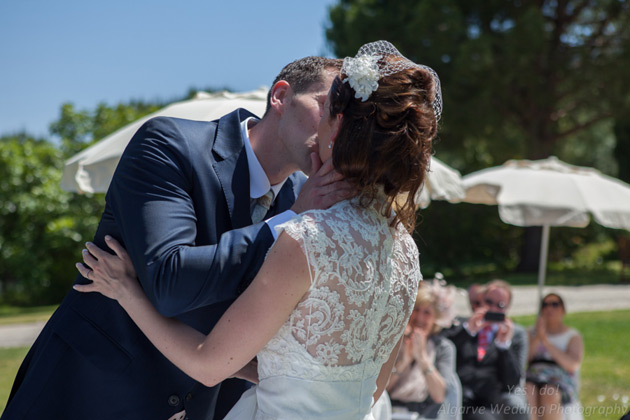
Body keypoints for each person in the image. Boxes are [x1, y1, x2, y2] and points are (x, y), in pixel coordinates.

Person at [73, 40, 442, 420]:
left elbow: (211, 364)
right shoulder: (404, 249)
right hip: (103, 392)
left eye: (330, 110)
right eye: (324, 102)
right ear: (280, 97)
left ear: (344, 129)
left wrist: (124, 291)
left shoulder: (308, 232)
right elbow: (371, 386)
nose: (321, 124)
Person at [2, 56, 348, 420]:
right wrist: (291, 221)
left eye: (345, 119)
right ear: (280, 96)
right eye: (326, 106)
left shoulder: (307, 200)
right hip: (88, 395)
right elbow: (171, 283)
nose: (334, 129)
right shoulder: (169, 145)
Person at [443, 280, 528, 420]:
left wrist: (503, 346)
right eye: (489, 302)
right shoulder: (461, 326)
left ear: (507, 309)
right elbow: (446, 350)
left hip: (489, 401)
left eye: (500, 305)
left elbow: (512, 382)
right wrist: (468, 331)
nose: (493, 309)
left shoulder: (513, 335)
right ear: (480, 301)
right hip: (458, 397)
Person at [387, 278, 460, 419]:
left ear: (435, 320)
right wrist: (404, 362)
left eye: (427, 313)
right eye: (416, 310)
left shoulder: (443, 347)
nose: (420, 317)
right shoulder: (393, 342)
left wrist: (422, 358)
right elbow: (381, 390)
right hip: (389, 411)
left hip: (425, 414)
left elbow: (440, 395)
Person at [525, 293, 584, 420]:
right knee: (528, 390)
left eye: (554, 304)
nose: (549, 308)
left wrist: (546, 341)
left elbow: (572, 365)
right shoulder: (530, 332)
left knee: (548, 392)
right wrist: (537, 338)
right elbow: (524, 359)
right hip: (533, 375)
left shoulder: (573, 336)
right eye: (545, 305)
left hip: (559, 377)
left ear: (563, 309)